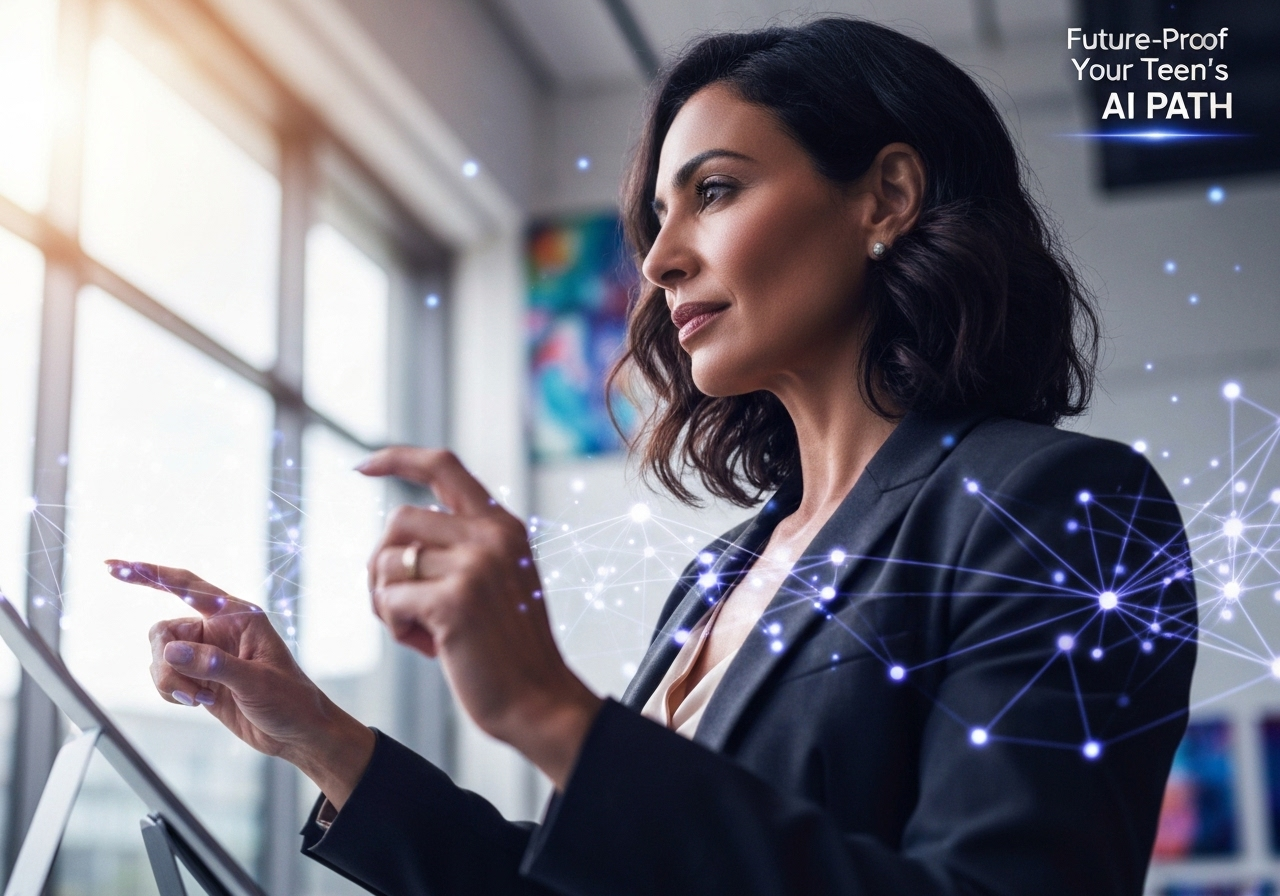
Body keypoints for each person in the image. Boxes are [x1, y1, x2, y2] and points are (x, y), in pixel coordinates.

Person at [108, 17, 1198, 896]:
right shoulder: (719, 571)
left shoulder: (1058, 503)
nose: (662, 258)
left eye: (713, 190)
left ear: (885, 197)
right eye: (655, 217)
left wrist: (545, 706)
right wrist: (320, 737)